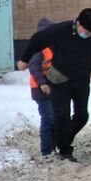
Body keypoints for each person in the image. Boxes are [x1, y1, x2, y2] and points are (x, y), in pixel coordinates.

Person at [17, 9, 91, 162]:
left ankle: (59, 139)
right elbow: (37, 39)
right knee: (62, 115)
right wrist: (24, 60)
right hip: (60, 78)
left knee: (82, 115)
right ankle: (65, 151)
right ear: (78, 23)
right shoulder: (60, 30)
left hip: (81, 79)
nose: (89, 34)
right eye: (87, 31)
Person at [26, 18, 55, 157]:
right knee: (48, 118)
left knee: (54, 118)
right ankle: (46, 150)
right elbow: (33, 66)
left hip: (51, 88)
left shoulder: (51, 47)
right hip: (40, 89)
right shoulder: (38, 48)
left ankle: (52, 148)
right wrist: (42, 83)